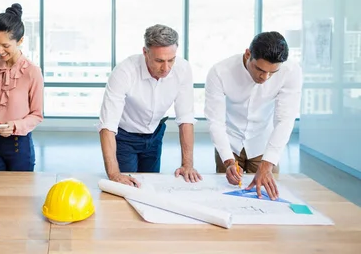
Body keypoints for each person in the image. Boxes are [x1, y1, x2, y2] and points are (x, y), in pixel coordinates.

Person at [98, 24, 202, 187]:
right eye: (159, 60)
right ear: (145, 53)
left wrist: (187, 165)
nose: (166, 68)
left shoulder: (182, 69)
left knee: (149, 185)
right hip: (125, 137)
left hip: (155, 134)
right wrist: (114, 174)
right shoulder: (124, 71)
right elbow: (107, 125)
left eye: (171, 60)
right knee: (127, 188)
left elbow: (186, 118)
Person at [206, 31, 302, 200]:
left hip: (263, 142)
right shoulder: (220, 72)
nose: (265, 77)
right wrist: (228, 161)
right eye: (260, 69)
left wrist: (268, 164)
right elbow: (216, 122)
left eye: (272, 73)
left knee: (268, 199)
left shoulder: (290, 72)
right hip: (230, 142)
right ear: (248, 54)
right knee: (226, 198)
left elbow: (284, 120)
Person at [0, 3, 44, 171]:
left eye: (6, 46)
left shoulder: (32, 71)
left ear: (20, 41)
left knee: (20, 196)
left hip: (19, 147)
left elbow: (37, 115)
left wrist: (14, 126)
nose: (0, 50)